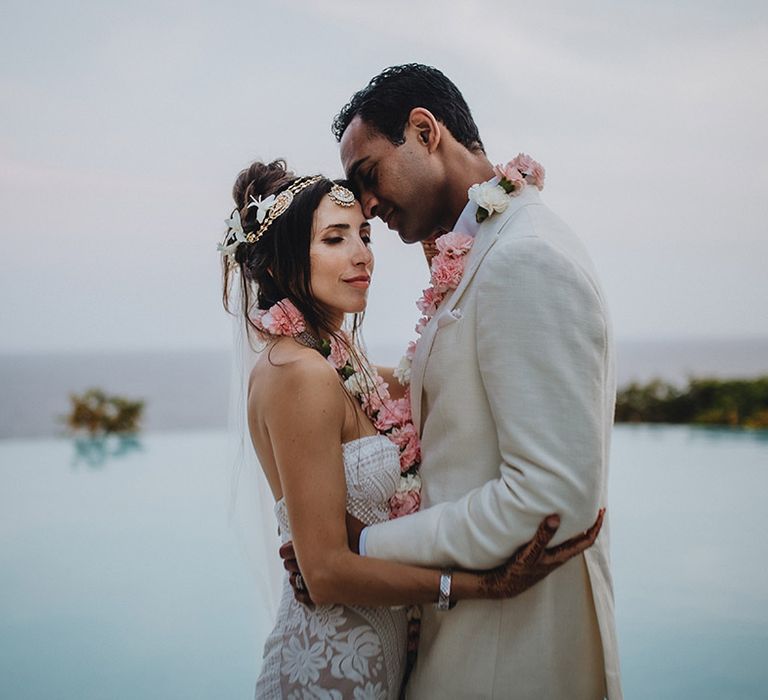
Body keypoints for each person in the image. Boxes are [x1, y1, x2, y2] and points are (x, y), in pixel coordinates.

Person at [286, 64, 622, 699]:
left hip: (513, 651)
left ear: (424, 130)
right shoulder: (483, 249)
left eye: (368, 176)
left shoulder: (525, 259)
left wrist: (365, 546)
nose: (367, 206)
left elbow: (550, 500)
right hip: (468, 635)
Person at [219, 159, 605, 699]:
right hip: (331, 671)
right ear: (282, 265)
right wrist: (478, 588)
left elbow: (426, 382)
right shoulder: (297, 374)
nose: (362, 256)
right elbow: (326, 573)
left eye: (364, 235)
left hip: (383, 662)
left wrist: (454, 269)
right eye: (335, 239)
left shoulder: (337, 360)